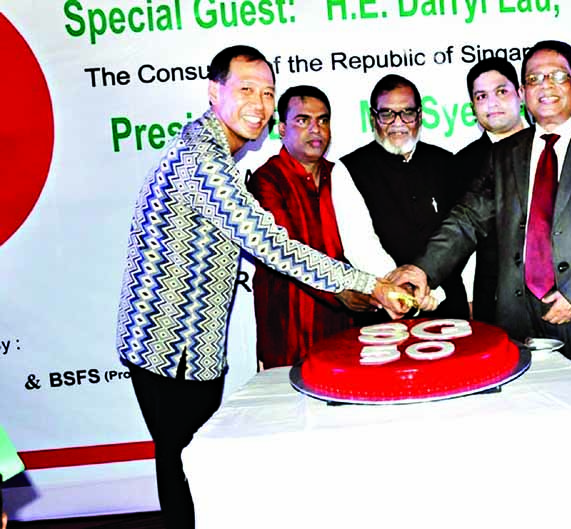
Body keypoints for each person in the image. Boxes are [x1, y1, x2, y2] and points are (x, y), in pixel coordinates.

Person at [115, 46, 408, 529]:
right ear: (214, 93)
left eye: (268, 92)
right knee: (186, 468)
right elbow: (274, 245)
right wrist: (369, 284)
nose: (260, 102)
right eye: (246, 89)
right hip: (168, 346)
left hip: (185, 345)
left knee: (187, 464)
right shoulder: (204, 161)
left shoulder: (212, 151)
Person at [388, 40, 571, 418]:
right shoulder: (502, 156)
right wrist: (422, 269)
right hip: (518, 325)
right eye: (534, 78)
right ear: (524, 92)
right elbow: (466, 219)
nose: (546, 85)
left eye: (557, 76)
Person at [247, 85, 375, 368]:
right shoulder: (267, 181)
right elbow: (286, 251)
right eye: (303, 120)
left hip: (348, 325)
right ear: (281, 129)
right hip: (291, 326)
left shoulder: (340, 175)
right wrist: (338, 289)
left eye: (323, 120)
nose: (315, 129)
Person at [339, 74, 469, 321]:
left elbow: (462, 234)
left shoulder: (448, 163)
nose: (397, 122)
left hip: (445, 303)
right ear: (372, 117)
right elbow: (359, 245)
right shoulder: (348, 168)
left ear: (419, 116)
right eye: (387, 113)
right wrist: (404, 291)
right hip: (383, 310)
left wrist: (432, 288)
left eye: (407, 113)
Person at [455, 57, 527, 322]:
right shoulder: (462, 164)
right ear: (473, 107)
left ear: (520, 93)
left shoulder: (553, 146)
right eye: (481, 96)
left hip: (562, 298)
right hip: (495, 300)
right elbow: (462, 239)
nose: (492, 103)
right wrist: (470, 300)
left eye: (501, 91)